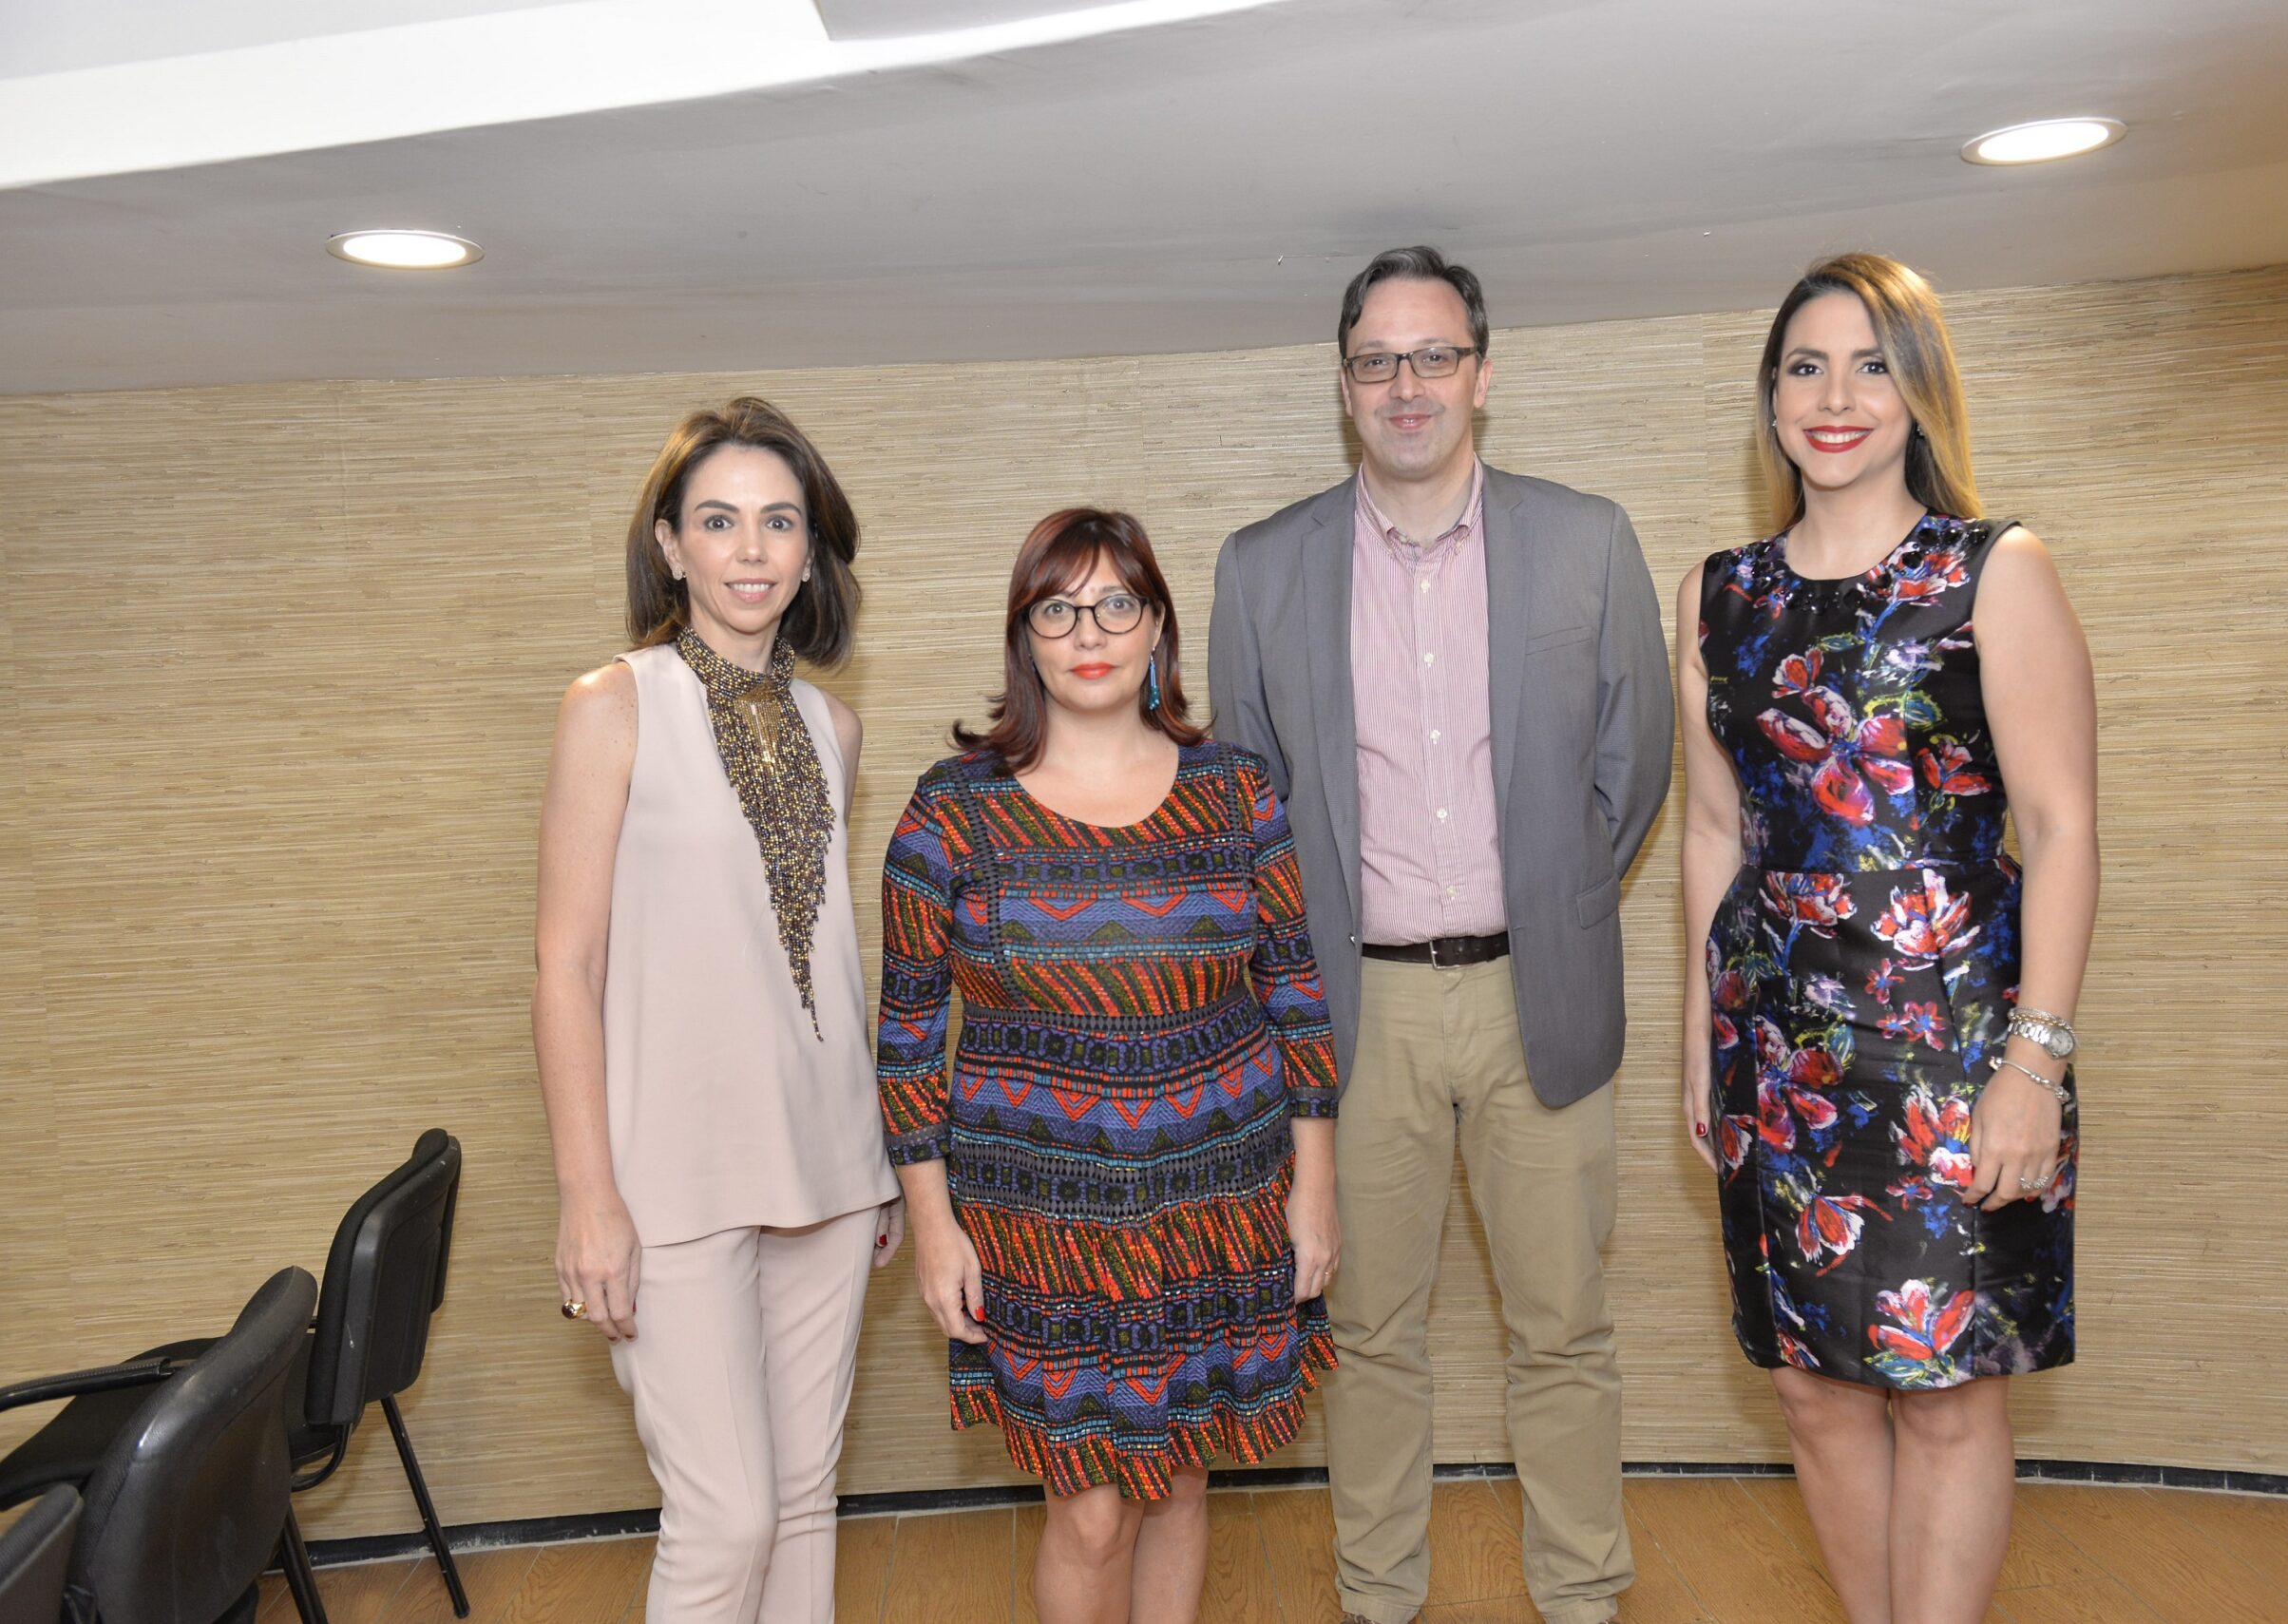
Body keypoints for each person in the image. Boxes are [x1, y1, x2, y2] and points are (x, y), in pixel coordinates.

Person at [1206, 246, 1674, 1624]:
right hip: (1360, 1015)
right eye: (1376, 361)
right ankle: (1377, 1597)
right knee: (1368, 1332)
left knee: (1564, 1331)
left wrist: (1552, 887)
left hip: (1542, 990)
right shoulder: (1263, 567)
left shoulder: (1586, 538)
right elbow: (1247, 795)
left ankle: (1586, 1595)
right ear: (1343, 386)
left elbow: (1629, 773)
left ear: (1484, 370)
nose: (1406, 385)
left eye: (1435, 355)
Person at [1678, 253, 2095, 1624]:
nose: (1837, 396)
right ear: (1772, 399)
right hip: (1776, 1044)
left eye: (1870, 364)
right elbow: (1714, 836)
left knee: (1946, 1388)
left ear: (1918, 394)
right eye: (1806, 366)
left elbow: (2064, 826)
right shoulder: (1719, 595)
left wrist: (2033, 1064)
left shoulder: (1993, 569)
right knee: (1809, 1385)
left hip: (1956, 1034)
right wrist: (1701, 1045)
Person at [876, 508, 1340, 1624]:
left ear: (1157, 627)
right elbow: (902, 1038)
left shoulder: (1237, 793)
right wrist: (932, 1224)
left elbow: (1295, 994)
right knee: (1089, 1508)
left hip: (1219, 1195)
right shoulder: (953, 811)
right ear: (1023, 635)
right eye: (1057, 607)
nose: (1090, 631)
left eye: (1116, 603)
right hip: (1039, 1220)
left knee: (1182, 1470)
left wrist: (1312, 1189)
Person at [533, 396, 902, 1624]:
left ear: (810, 551)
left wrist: (882, 1162)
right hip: (668, 1176)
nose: (751, 549)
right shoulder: (612, 702)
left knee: (801, 1503)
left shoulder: (834, 727)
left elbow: (817, 956)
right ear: (671, 543)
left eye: (778, 521)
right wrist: (589, 1196)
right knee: (725, 1517)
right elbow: (565, 965)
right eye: (720, 520)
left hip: (830, 1167)